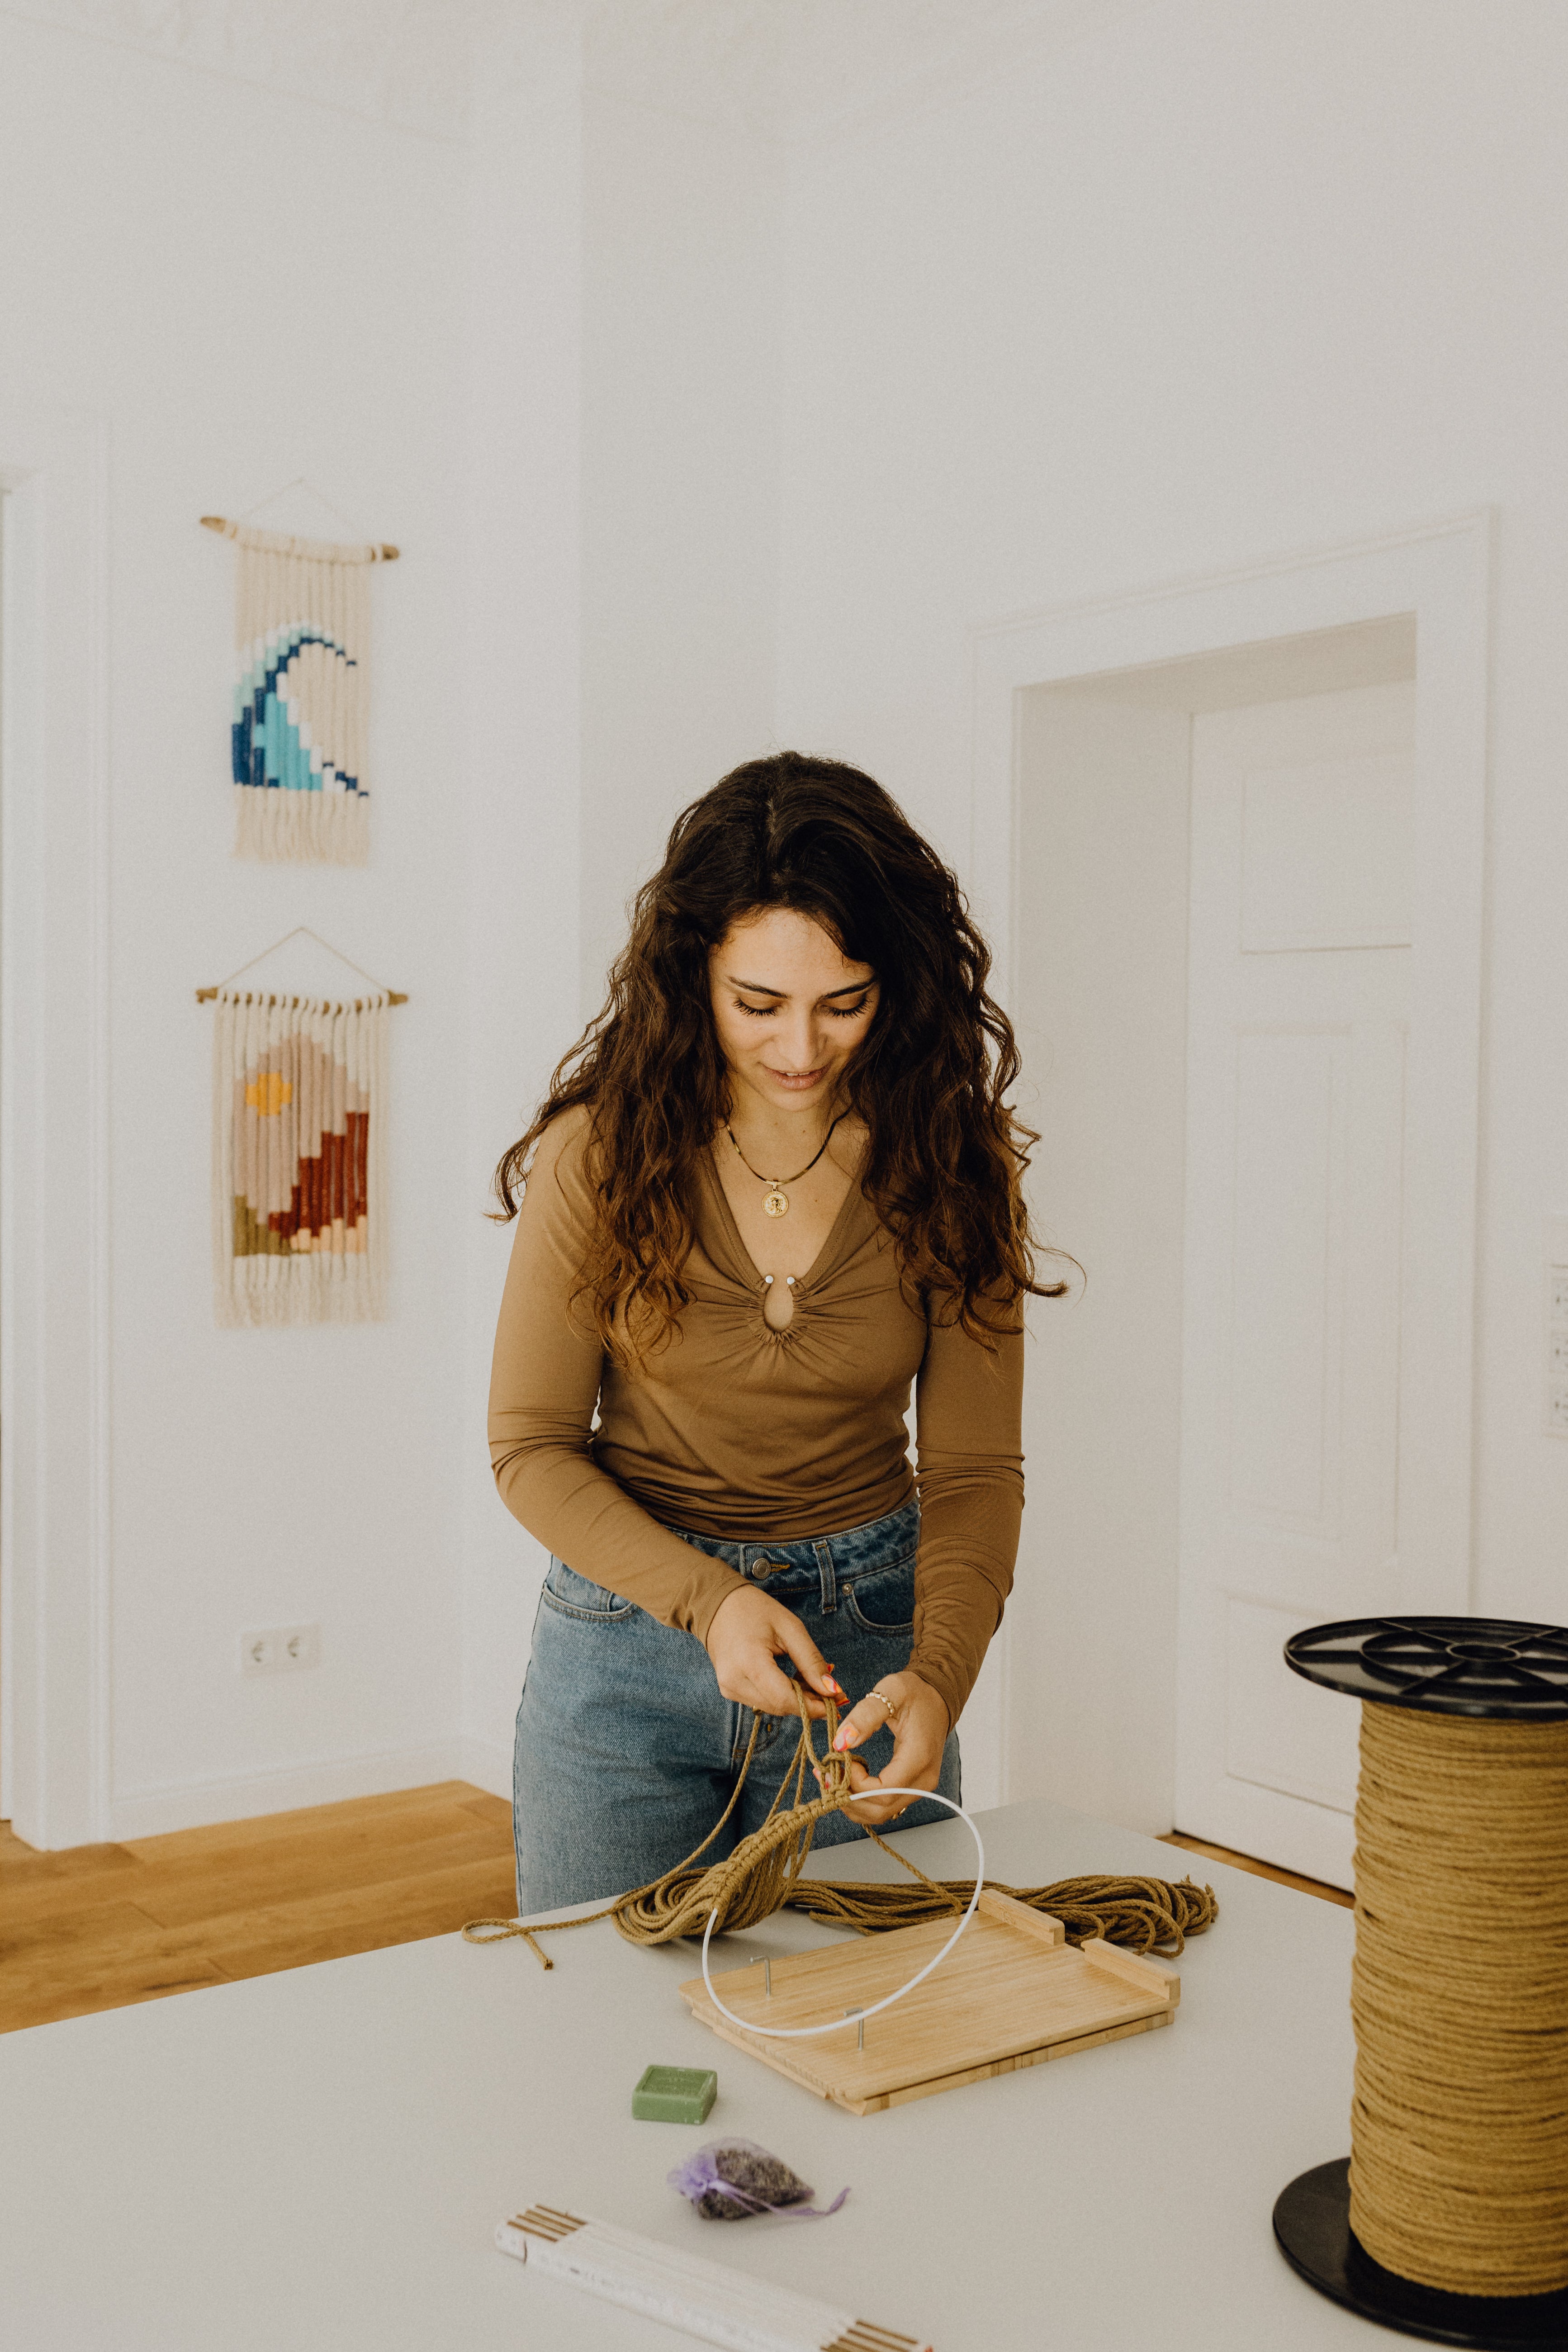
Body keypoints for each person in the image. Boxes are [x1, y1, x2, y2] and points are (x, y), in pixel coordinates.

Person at [489, 751, 1059, 1913]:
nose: (801, 1048)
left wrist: (937, 1681)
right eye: (759, 1004)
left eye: (843, 1002)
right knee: (595, 2042)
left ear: (895, 983)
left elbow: (974, 1472)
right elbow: (531, 1443)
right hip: (626, 1643)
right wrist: (709, 1601)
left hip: (868, 1650)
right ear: (690, 975)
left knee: (859, 2023)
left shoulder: (954, 1159)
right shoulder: (597, 1153)